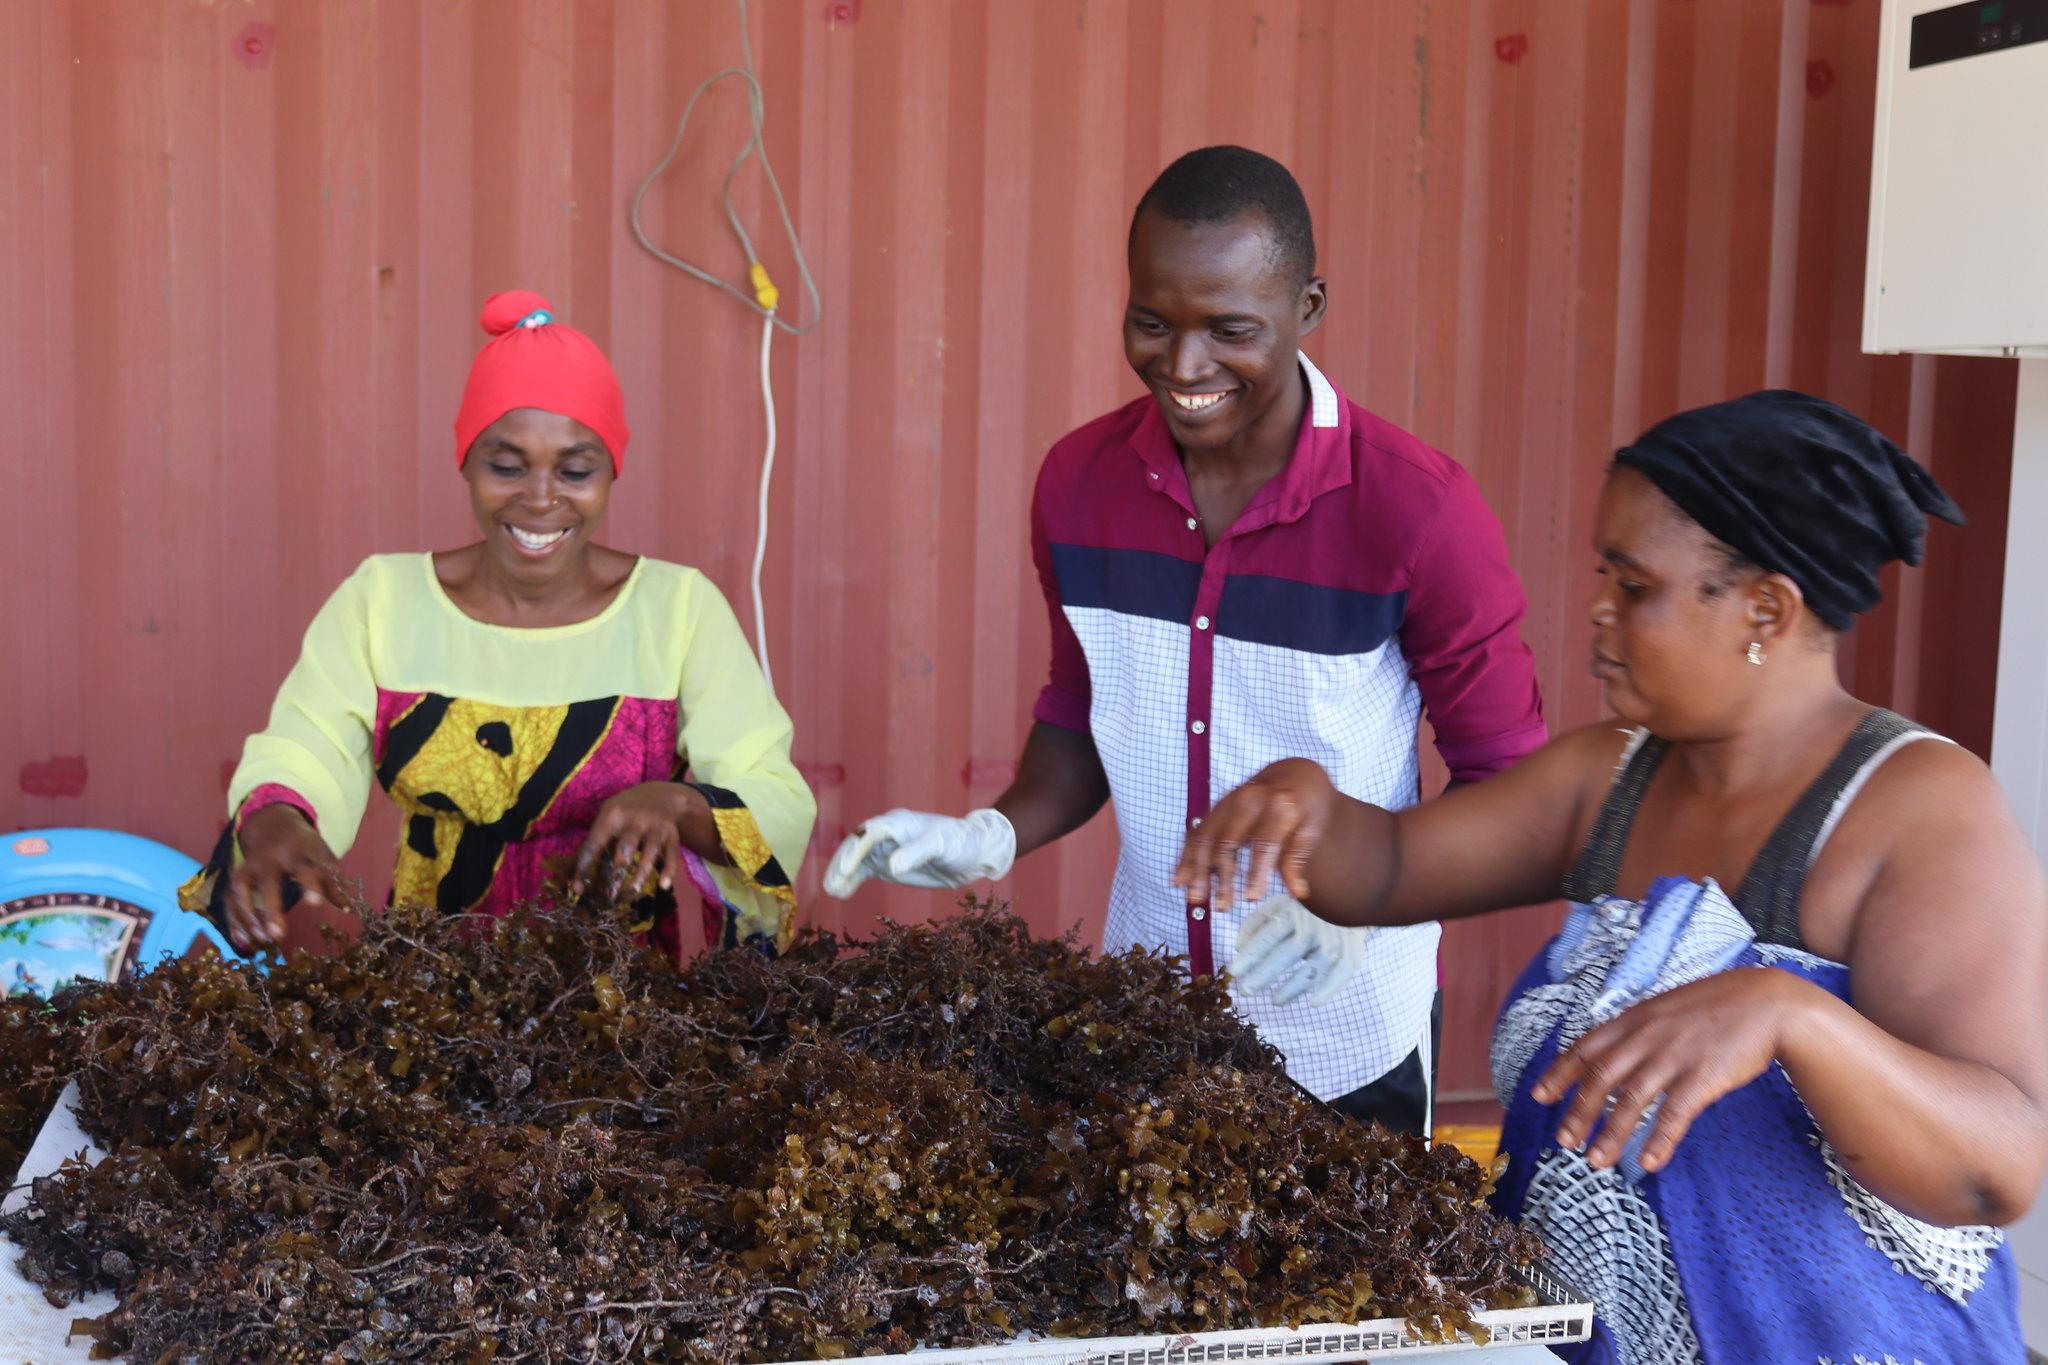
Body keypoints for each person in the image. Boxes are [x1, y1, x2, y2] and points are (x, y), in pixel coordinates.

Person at [1176, 390, 2046, 1363]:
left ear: (1763, 609)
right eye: (1604, 573)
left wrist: (1789, 1017)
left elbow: (1995, 1164)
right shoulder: (1611, 776)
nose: (1594, 609)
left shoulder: (1914, 808)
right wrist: (1308, 807)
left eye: (1632, 587)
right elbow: (1382, 871)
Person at [823, 146, 1547, 1136]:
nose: (1184, 365)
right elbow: (1082, 712)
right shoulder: (1077, 483)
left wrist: (1364, 902)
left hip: (1346, 1040)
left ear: (1308, 307)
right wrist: (990, 833)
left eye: (1229, 329)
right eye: (1152, 322)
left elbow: (1513, 798)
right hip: (1148, 1022)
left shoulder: (1417, 511)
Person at [183, 290, 815, 963]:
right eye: (506, 466)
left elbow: (772, 795)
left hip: (626, 1013)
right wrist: (278, 826)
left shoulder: (679, 611)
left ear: (611, 474)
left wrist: (678, 805)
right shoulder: (384, 601)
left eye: (575, 469)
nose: (540, 498)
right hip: (426, 1005)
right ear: (466, 461)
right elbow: (304, 750)